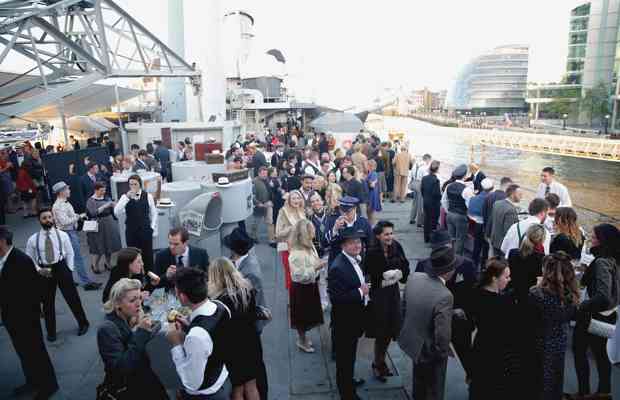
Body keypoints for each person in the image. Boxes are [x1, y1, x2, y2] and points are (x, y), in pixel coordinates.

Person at [0, 225, 59, 399]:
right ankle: (32, 381)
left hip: (25, 317)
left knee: (36, 351)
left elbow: (34, 290)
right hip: (10, 315)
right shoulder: (4, 259)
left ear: (2, 242)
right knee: (23, 351)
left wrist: (30, 314)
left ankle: (49, 386)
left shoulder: (21, 260)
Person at [415, 230, 478, 382]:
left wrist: (471, 317)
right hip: (434, 323)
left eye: (445, 247)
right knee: (432, 363)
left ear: (451, 245)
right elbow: (419, 297)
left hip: (460, 321)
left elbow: (473, 294)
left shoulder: (466, 265)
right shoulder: (423, 266)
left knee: (466, 354)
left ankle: (472, 380)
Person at [399, 246, 456, 400]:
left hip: (413, 343)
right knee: (434, 390)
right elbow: (442, 336)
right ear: (449, 271)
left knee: (419, 384)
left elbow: (404, 308)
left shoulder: (414, 277)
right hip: (430, 352)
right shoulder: (445, 295)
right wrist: (442, 353)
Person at [166, 267, 232, 399]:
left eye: (176, 291)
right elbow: (214, 340)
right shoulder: (220, 306)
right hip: (223, 378)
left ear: (183, 297)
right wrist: (190, 326)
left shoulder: (196, 336)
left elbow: (192, 383)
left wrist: (176, 345)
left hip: (206, 394)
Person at [97, 278, 168, 399]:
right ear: (117, 303)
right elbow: (120, 368)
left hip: (144, 377)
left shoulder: (130, 315)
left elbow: (153, 327)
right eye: (132, 300)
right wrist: (140, 332)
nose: (138, 303)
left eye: (139, 298)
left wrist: (141, 324)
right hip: (129, 388)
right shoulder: (107, 329)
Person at [26, 208, 90, 341]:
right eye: (44, 218)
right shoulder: (33, 239)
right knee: (47, 303)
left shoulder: (62, 235)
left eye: (49, 217)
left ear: (53, 218)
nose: (48, 220)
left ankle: (83, 323)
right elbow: (29, 258)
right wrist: (38, 269)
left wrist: (69, 269)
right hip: (44, 270)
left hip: (61, 267)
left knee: (72, 298)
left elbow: (70, 253)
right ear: (40, 220)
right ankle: (51, 332)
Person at [572, 223, 620, 399]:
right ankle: (604, 392)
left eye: (593, 237)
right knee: (601, 354)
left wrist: (581, 306)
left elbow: (603, 296)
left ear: (602, 241)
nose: (590, 239)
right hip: (609, 316)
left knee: (579, 351)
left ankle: (583, 392)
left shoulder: (600, 262)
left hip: (592, 316)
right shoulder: (614, 259)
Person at [222, 228, 269, 400]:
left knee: (253, 372)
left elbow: (247, 303)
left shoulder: (250, 272)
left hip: (249, 326)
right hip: (246, 324)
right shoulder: (239, 263)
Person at [208, 258, 263, 400]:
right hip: (251, 344)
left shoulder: (218, 301)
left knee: (237, 389)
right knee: (252, 386)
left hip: (232, 349)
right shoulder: (247, 291)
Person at [528, 252, 579, 400]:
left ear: (547, 271)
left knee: (538, 378)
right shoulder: (571, 296)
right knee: (555, 377)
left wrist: (538, 286)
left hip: (539, 341)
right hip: (559, 340)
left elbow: (530, 318)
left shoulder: (537, 294)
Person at [364, 220, 409, 382]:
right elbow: (366, 274)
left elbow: (406, 267)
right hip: (378, 296)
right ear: (378, 236)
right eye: (386, 234)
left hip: (393, 294)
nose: (390, 237)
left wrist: (399, 274)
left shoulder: (396, 247)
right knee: (381, 329)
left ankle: (380, 360)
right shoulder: (371, 252)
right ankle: (378, 362)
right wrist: (381, 279)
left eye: (391, 233)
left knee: (392, 328)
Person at [327, 227, 369, 400]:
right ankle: (347, 393)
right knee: (345, 359)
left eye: (359, 241)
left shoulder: (354, 259)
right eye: (352, 242)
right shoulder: (338, 267)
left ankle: (348, 381)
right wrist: (360, 291)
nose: (357, 245)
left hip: (353, 319)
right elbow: (337, 298)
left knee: (349, 357)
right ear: (343, 246)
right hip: (345, 323)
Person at [469, 259, 513, 399]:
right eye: (506, 277)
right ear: (495, 278)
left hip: (479, 346)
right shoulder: (502, 302)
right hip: (495, 352)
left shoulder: (476, 292)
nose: (509, 280)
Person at [52, 181, 102, 290]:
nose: (69, 191)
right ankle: (86, 283)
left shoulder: (65, 202)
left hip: (69, 232)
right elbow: (64, 221)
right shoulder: (58, 206)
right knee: (77, 258)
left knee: (67, 258)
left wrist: (78, 216)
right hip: (67, 233)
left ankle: (68, 280)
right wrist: (78, 217)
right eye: (67, 189)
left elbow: (70, 215)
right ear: (61, 192)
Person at [288, 220, 326, 352]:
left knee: (308, 314)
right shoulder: (297, 254)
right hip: (301, 288)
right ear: (306, 233)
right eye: (312, 229)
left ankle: (303, 338)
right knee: (301, 317)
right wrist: (316, 267)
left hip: (310, 285)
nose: (315, 231)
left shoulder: (309, 246)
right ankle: (302, 340)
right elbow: (299, 276)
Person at [114, 174, 158, 273]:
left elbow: (154, 213)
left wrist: (152, 227)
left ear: (140, 185)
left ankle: (149, 276)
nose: (133, 186)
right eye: (131, 184)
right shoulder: (124, 197)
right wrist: (126, 197)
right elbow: (116, 212)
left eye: (135, 184)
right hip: (131, 231)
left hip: (145, 230)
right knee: (133, 255)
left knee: (148, 255)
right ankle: (136, 277)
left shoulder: (148, 196)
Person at [324, 196, 373, 265]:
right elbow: (324, 243)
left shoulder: (363, 222)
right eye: (342, 211)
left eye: (348, 211)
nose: (344, 214)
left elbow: (370, 245)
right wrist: (335, 229)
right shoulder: (332, 220)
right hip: (337, 265)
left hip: (358, 264)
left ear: (355, 209)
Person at [86, 181, 122, 273]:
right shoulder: (91, 200)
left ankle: (108, 263)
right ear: (96, 190)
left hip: (109, 223)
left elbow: (113, 210)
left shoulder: (107, 197)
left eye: (104, 190)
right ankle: (95, 265)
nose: (103, 192)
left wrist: (115, 205)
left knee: (109, 246)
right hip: (97, 225)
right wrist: (106, 205)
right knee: (98, 247)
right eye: (101, 190)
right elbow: (93, 213)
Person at [275, 190, 307, 291]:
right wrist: (292, 228)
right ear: (289, 200)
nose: (296, 200)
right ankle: (291, 302)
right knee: (291, 276)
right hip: (288, 249)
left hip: (301, 248)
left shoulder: (302, 210)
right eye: (293, 198)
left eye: (298, 198)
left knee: (301, 276)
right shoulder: (283, 212)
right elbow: (278, 233)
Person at [507, 224, 546, 305]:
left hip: (513, 293)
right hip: (529, 297)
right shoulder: (540, 258)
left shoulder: (513, 252)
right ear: (542, 240)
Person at [441, 164, 475, 255]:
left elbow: (444, 201)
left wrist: (448, 210)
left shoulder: (449, 186)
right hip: (460, 216)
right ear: (464, 176)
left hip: (450, 214)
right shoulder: (466, 190)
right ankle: (457, 259)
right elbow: (470, 205)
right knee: (460, 239)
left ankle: (450, 256)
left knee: (451, 238)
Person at [488, 183, 523, 258]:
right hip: (503, 245)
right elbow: (509, 231)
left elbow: (491, 220)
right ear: (512, 194)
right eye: (519, 194)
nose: (521, 197)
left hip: (494, 240)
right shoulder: (511, 210)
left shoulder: (497, 203)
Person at [468, 178, 493, 268]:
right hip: (487, 226)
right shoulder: (492, 200)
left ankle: (473, 264)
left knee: (477, 246)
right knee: (486, 248)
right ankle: (483, 267)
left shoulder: (474, 198)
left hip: (477, 225)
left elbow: (470, 213)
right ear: (492, 188)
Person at [251, 166, 274, 243]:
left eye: (266, 174)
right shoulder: (254, 182)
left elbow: (270, 192)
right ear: (258, 173)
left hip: (268, 205)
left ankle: (271, 240)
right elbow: (252, 195)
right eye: (263, 173)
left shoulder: (267, 180)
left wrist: (271, 201)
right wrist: (258, 203)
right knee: (256, 223)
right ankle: (253, 237)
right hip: (259, 207)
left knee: (270, 222)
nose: (265, 175)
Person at [420, 160, 442, 243]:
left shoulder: (424, 178)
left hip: (426, 201)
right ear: (437, 170)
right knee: (433, 221)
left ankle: (426, 238)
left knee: (426, 220)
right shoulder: (436, 180)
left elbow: (422, 190)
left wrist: (425, 197)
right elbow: (437, 194)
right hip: (434, 204)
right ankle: (432, 239)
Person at [410, 153, 431, 226]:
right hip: (421, 185)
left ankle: (412, 218)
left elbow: (411, 175)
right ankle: (420, 222)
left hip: (414, 183)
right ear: (427, 159)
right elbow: (425, 178)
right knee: (421, 204)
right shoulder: (425, 167)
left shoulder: (415, 165)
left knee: (415, 202)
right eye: (429, 160)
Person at [365, 159, 382, 225]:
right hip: (372, 194)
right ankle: (371, 226)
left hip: (371, 195)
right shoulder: (373, 173)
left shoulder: (373, 174)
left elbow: (372, 185)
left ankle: (372, 227)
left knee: (370, 213)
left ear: (370, 166)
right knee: (370, 213)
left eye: (367, 165)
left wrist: (368, 182)